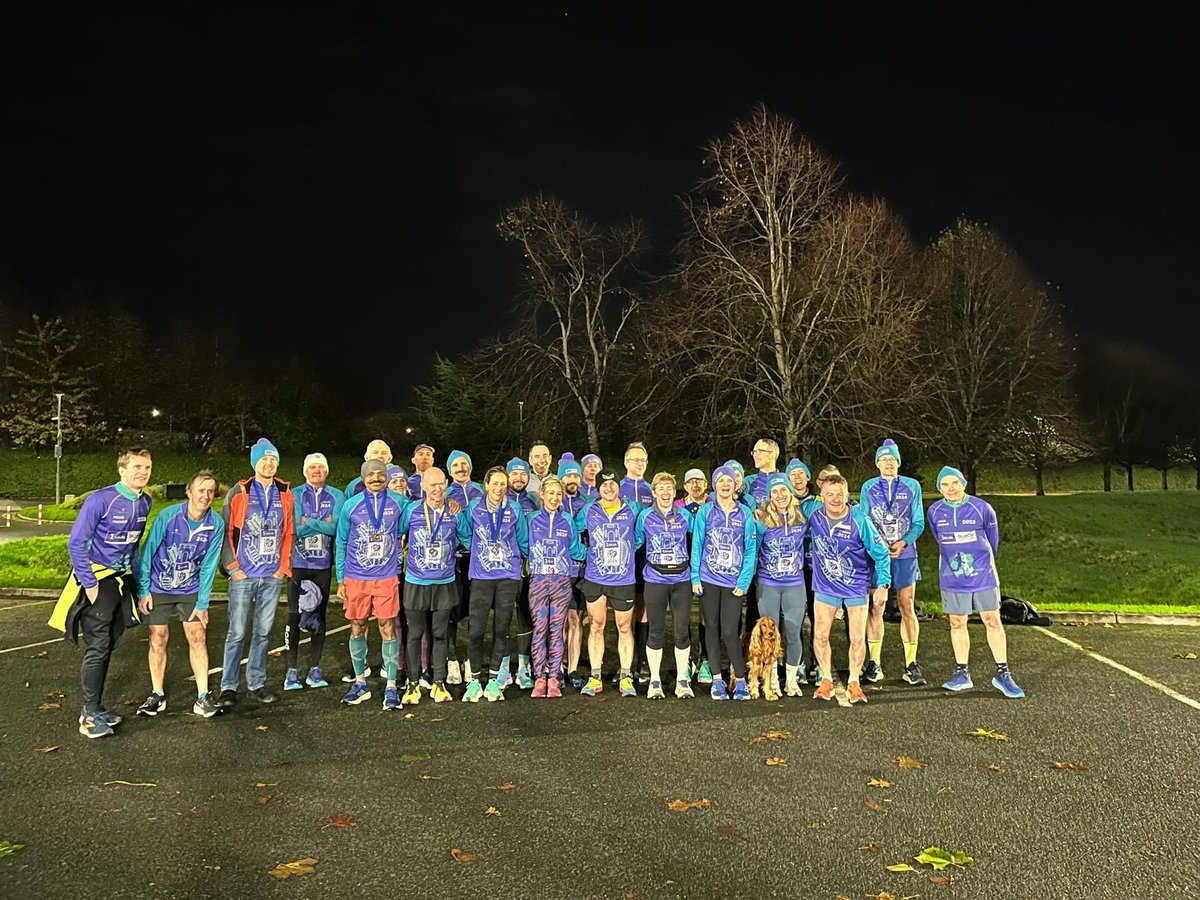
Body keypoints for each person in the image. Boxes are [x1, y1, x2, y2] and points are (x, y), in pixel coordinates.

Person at [61, 447, 154, 738]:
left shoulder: (145, 503)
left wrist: (140, 588)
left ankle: (97, 708)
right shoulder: (100, 499)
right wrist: (89, 584)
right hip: (97, 581)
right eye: (137, 466)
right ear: (122, 470)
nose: (143, 472)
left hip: (121, 583)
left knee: (110, 643)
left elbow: (134, 548)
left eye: (147, 467)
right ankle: (88, 716)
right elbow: (76, 543)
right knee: (98, 647)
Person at [927, 467, 1025, 699]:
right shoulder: (935, 510)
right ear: (939, 488)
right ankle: (962, 674)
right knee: (957, 622)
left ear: (963, 484)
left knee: (992, 620)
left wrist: (981, 561)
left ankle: (1003, 673)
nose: (950, 489)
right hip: (952, 576)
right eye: (945, 485)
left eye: (955, 483)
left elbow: (993, 540)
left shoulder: (981, 508)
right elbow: (937, 537)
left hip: (983, 575)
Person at [134, 469, 224, 719]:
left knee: (198, 637)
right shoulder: (168, 516)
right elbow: (148, 552)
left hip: (190, 589)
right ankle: (157, 695)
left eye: (210, 491)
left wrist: (203, 602)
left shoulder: (216, 523)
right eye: (201, 490)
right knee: (158, 638)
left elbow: (208, 565)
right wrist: (144, 590)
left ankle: (203, 697)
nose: (206, 496)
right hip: (159, 587)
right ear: (189, 492)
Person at [219, 439, 295, 708]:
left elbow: (289, 532)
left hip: (271, 575)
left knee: (263, 632)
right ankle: (228, 686)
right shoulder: (239, 493)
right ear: (255, 462)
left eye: (273, 458)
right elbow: (225, 533)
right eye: (264, 459)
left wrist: (282, 568)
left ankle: (256, 682)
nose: (269, 463)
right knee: (237, 632)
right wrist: (233, 568)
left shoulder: (285, 492)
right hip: (244, 575)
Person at [806, 475, 890, 706]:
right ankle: (825, 680)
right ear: (821, 496)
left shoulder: (860, 520)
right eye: (830, 494)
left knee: (855, 637)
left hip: (855, 587)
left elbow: (881, 554)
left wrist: (883, 585)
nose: (835, 499)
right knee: (821, 635)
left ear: (847, 495)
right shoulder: (813, 515)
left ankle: (854, 682)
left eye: (839, 494)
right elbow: (786, 516)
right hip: (825, 586)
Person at [335, 459, 408, 710]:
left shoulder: (400, 503)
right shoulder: (350, 505)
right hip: (356, 577)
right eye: (371, 475)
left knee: (387, 627)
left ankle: (390, 685)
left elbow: (418, 516)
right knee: (357, 626)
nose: (376, 478)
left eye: (381, 474)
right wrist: (341, 578)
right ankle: (360, 682)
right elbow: (341, 542)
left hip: (386, 577)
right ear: (363, 478)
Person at [456, 466, 528, 702]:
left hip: (507, 577)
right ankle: (475, 680)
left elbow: (523, 540)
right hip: (482, 577)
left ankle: (496, 680)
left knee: (501, 629)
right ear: (486, 485)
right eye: (494, 483)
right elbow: (465, 532)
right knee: (476, 630)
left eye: (502, 484)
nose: (499, 488)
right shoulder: (475, 507)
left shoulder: (515, 508)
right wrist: (476, 549)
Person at [858, 439, 926, 686]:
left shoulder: (911, 486)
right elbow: (864, 519)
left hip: (904, 555)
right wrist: (878, 546)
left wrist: (904, 542)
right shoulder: (868, 487)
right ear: (877, 464)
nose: (888, 463)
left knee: (906, 606)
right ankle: (874, 664)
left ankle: (911, 664)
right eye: (884, 459)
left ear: (898, 462)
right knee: (876, 606)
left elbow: (918, 521)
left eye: (893, 459)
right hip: (877, 555)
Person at [574, 469, 645, 697]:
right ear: (598, 489)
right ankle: (595, 676)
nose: (609, 488)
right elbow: (572, 531)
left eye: (612, 484)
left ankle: (626, 676)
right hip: (595, 577)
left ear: (618, 486)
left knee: (624, 627)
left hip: (623, 579)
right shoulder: (589, 509)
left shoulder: (632, 508)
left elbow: (641, 535)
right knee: (596, 625)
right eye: (604, 485)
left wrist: (627, 552)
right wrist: (586, 552)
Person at [690, 466, 758, 701]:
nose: (725, 485)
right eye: (721, 481)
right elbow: (697, 544)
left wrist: (744, 580)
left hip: (733, 582)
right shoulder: (706, 511)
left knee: (730, 631)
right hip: (708, 579)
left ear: (735, 485)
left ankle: (740, 679)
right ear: (715, 485)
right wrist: (695, 577)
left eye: (730, 481)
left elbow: (750, 550)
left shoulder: (745, 513)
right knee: (711, 629)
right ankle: (717, 680)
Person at [397, 466, 459, 704]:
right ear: (422, 486)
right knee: (414, 634)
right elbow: (396, 534)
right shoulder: (411, 510)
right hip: (416, 581)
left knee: (440, 634)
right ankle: (412, 684)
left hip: (444, 581)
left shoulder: (453, 511)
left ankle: (439, 683)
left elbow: (465, 536)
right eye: (432, 485)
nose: (437, 489)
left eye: (441, 484)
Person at [285, 453, 343, 692]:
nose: (317, 471)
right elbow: (294, 527)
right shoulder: (295, 494)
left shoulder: (337, 495)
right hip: (298, 565)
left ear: (326, 471)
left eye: (321, 467)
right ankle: (291, 671)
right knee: (294, 617)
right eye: (312, 467)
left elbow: (336, 527)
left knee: (319, 618)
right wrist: (320, 523)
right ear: (305, 471)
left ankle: (315, 669)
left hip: (322, 567)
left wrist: (309, 521)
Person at [525, 476, 588, 697]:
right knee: (540, 628)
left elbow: (574, 548)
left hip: (562, 581)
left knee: (556, 630)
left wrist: (593, 555)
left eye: (558, 494)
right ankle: (539, 677)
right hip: (539, 581)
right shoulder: (532, 519)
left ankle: (554, 677)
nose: (554, 497)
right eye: (550, 493)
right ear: (541, 495)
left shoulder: (567, 520)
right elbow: (525, 544)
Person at [637, 472, 695, 699]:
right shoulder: (644, 516)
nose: (665, 492)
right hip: (655, 580)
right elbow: (634, 542)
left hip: (681, 580)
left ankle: (682, 679)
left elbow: (698, 542)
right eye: (660, 488)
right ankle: (654, 680)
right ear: (654, 492)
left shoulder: (685, 517)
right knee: (656, 631)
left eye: (669, 488)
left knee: (681, 632)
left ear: (674, 492)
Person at [753, 473, 808, 697]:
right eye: (774, 492)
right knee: (769, 635)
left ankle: (792, 680)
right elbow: (753, 550)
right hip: (768, 584)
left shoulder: (803, 518)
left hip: (794, 583)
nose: (779, 495)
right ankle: (772, 679)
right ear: (769, 496)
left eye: (783, 490)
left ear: (790, 492)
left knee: (794, 633)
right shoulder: (761, 520)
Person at [445, 450, 483, 686]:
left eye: (464, 464)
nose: (461, 468)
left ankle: (471, 659)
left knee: (475, 611)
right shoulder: (445, 493)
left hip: (480, 560)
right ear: (450, 470)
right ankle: (451, 659)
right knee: (451, 610)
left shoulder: (482, 491)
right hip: (453, 559)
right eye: (456, 465)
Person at [557, 453, 592, 686]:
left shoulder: (588, 503)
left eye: (575, 475)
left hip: (581, 570)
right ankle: (557, 666)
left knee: (576, 620)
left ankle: (573, 668)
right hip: (559, 571)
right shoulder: (552, 502)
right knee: (559, 620)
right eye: (568, 475)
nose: (572, 479)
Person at [620, 442, 653, 682]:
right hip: (621, 558)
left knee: (644, 609)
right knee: (623, 613)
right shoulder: (616, 488)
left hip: (646, 557)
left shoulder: (652, 490)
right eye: (635, 459)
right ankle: (624, 664)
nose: (639, 464)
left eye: (643, 460)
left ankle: (642, 661)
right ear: (626, 462)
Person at [786, 458, 819, 684]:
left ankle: (817, 662)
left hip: (817, 568)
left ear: (808, 477)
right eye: (792, 474)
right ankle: (797, 663)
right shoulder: (783, 503)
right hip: (794, 569)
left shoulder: (817, 502)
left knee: (818, 617)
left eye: (801, 473)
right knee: (795, 617)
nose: (797, 478)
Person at [743, 438, 782, 508]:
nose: (755, 455)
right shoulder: (748, 481)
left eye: (759, 451)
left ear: (772, 454)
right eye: (754, 452)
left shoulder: (785, 480)